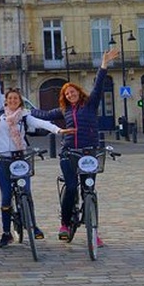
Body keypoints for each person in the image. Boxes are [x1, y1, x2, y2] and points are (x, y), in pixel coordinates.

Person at [31, 47, 118, 247]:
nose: (70, 95)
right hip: (69, 154)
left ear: (78, 92)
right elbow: (43, 115)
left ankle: (93, 232)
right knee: (71, 187)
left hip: (89, 153)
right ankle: (64, 224)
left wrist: (104, 64)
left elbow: (98, 86)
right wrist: (24, 110)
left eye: (72, 92)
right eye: (67, 94)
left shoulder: (91, 104)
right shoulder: (64, 110)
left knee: (89, 189)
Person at [0, 51, 73, 248]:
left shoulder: (25, 115)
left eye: (16, 98)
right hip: (2, 159)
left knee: (26, 191)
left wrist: (60, 130)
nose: (13, 101)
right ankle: (6, 232)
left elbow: (43, 123)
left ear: (20, 101)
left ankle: (33, 226)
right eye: (10, 98)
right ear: (6, 100)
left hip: (20, 158)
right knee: (6, 196)